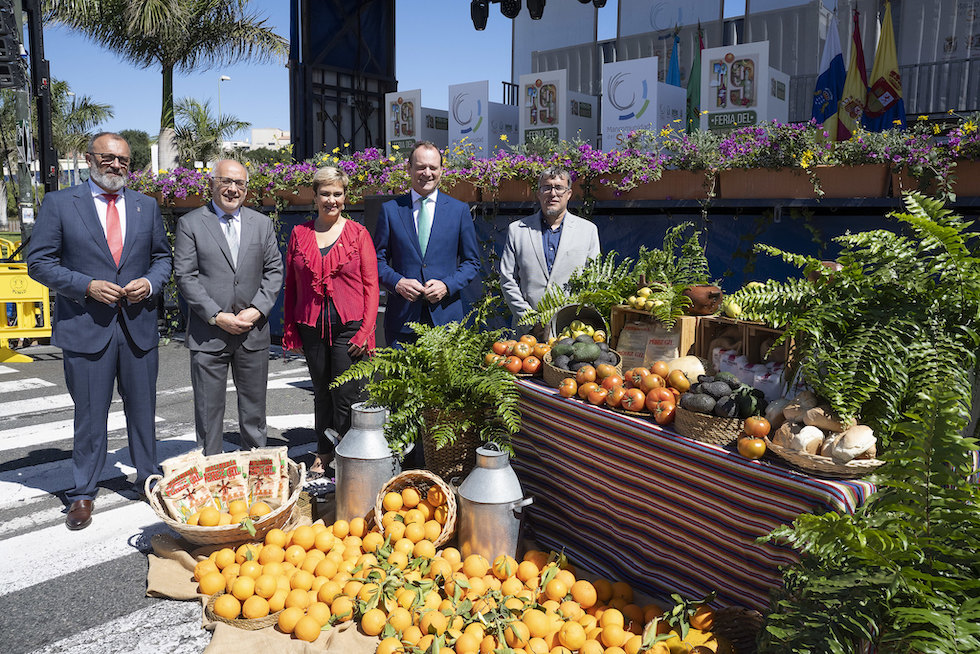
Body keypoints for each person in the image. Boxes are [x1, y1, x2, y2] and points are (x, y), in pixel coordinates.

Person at [27, 132, 172, 530]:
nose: (116, 166)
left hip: (138, 325)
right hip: (86, 325)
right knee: (90, 414)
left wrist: (151, 282)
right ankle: (83, 492)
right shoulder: (60, 203)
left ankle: (148, 478)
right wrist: (85, 286)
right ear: (90, 159)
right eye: (108, 158)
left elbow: (162, 258)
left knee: (143, 409)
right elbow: (38, 262)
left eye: (124, 160)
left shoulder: (146, 205)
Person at [173, 159, 283, 456]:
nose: (233, 189)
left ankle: (257, 472)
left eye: (240, 184)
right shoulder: (190, 223)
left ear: (247, 189)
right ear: (212, 184)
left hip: (252, 332)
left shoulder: (261, 224)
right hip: (209, 333)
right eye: (226, 181)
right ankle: (212, 472)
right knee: (209, 414)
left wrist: (257, 310)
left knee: (254, 413)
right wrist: (216, 315)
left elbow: (274, 271)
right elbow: (185, 276)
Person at [282, 166, 379, 479]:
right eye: (325, 193)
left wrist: (366, 330)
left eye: (337, 193)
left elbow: (371, 286)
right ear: (315, 196)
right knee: (322, 393)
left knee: (347, 395)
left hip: (349, 328)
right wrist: (290, 330)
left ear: (345, 197)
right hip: (311, 326)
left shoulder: (358, 234)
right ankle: (323, 454)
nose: (331, 199)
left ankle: (349, 456)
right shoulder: (300, 234)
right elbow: (292, 287)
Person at [374, 141, 481, 347]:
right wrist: (397, 282)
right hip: (402, 322)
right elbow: (376, 260)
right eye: (421, 167)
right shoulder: (391, 210)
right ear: (409, 169)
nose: (427, 173)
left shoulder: (458, 211)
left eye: (433, 167)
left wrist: (447, 285)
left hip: (446, 321)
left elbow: (471, 262)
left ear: (441, 171)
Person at [498, 167, 601, 333]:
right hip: (528, 333)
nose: (553, 194)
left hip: (571, 331)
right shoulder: (518, 230)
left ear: (568, 194)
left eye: (559, 188)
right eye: (547, 187)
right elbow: (507, 279)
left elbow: (594, 281)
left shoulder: (587, 231)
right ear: (538, 194)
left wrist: (573, 318)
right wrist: (531, 320)